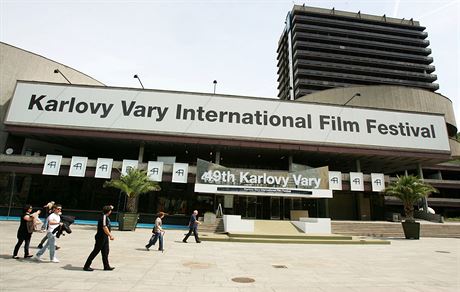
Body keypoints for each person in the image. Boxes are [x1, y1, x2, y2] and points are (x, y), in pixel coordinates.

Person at [83, 205, 115, 271]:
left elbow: (109, 208)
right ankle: (86, 266)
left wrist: (110, 207)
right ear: (108, 212)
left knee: (105, 251)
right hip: (101, 237)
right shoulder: (104, 217)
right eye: (110, 210)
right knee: (95, 251)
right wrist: (110, 235)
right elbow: (104, 227)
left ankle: (106, 266)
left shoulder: (105, 216)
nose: (111, 211)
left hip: (105, 237)